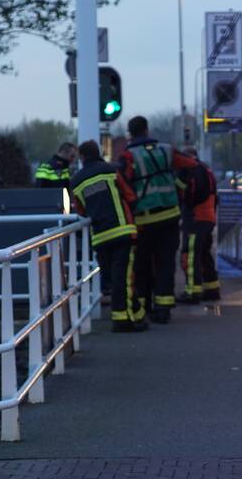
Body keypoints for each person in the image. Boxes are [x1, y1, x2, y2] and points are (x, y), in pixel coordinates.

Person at [117, 116, 198, 324]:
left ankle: (143, 308)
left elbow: (122, 183)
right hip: (170, 216)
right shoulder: (166, 150)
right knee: (165, 263)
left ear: (130, 133)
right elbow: (191, 165)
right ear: (147, 130)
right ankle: (163, 309)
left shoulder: (128, 156)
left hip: (143, 220)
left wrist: (133, 203)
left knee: (141, 264)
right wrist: (178, 188)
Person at [70, 140, 144, 332]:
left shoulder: (76, 180)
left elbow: (81, 210)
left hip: (100, 236)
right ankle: (122, 319)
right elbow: (130, 196)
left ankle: (137, 314)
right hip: (122, 231)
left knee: (114, 278)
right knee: (124, 277)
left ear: (82, 157)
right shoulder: (111, 170)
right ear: (99, 152)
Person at [177, 147, 220, 302]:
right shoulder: (206, 170)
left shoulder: (194, 171)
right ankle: (212, 289)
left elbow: (190, 196)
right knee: (204, 253)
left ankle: (192, 291)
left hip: (197, 219)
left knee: (191, 254)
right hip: (207, 218)